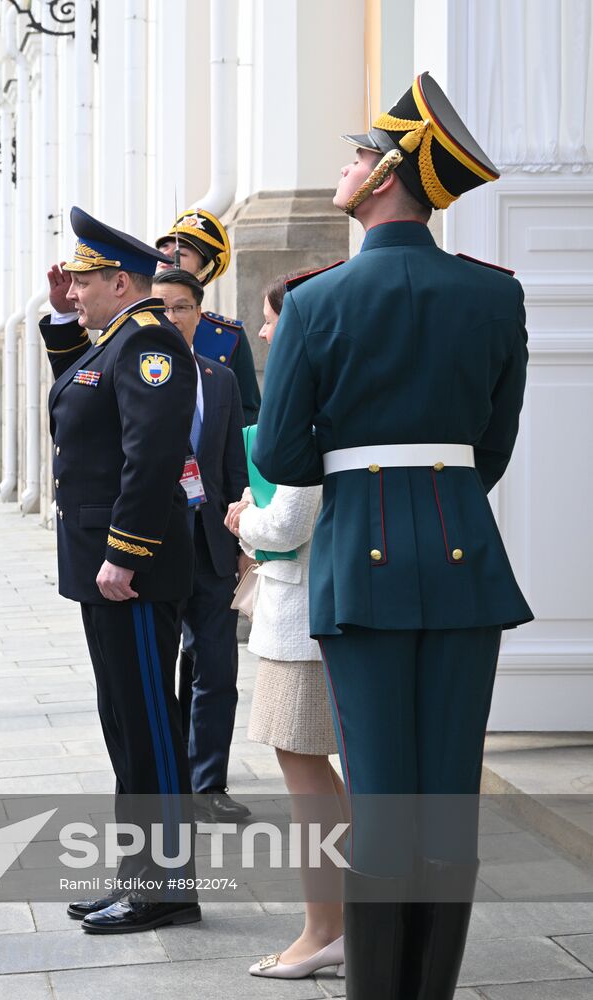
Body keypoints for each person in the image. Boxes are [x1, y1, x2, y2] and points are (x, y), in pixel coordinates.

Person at [254, 72, 532, 999]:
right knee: (446, 799)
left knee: (377, 794)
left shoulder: (314, 301)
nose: (345, 166)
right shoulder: (493, 294)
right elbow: (492, 445)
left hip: (359, 563)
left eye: (358, 155)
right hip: (463, 553)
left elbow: (284, 453)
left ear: (385, 175)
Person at [41, 207, 200, 935]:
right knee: (124, 722)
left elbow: (151, 454)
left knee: (149, 726)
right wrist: (60, 320)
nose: (73, 292)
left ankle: (166, 886)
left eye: (81, 282)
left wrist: (124, 551)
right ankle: (139, 873)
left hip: (129, 570)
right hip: (103, 567)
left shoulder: (148, 343)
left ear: (120, 281)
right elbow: (81, 397)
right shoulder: (115, 343)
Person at [226, 272, 346, 981]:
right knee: (320, 778)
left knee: (306, 781)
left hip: (299, 617)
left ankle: (324, 932)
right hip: (307, 611)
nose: (265, 330)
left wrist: (246, 519)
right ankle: (347, 924)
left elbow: (290, 522)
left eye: (273, 318)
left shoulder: (306, 401)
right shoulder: (333, 391)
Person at [150, 269, 252, 824]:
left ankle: (209, 783)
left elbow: (234, 465)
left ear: (198, 314)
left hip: (213, 547)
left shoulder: (220, 379)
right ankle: (168, 780)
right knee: (161, 669)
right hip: (154, 547)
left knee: (216, 669)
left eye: (181, 308)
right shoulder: (136, 376)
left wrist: (243, 540)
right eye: (160, 308)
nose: (171, 318)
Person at [156, 208, 262, 423]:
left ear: (203, 272)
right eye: (164, 247)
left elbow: (247, 412)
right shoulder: (133, 323)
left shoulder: (229, 336)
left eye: (181, 253)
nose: (166, 254)